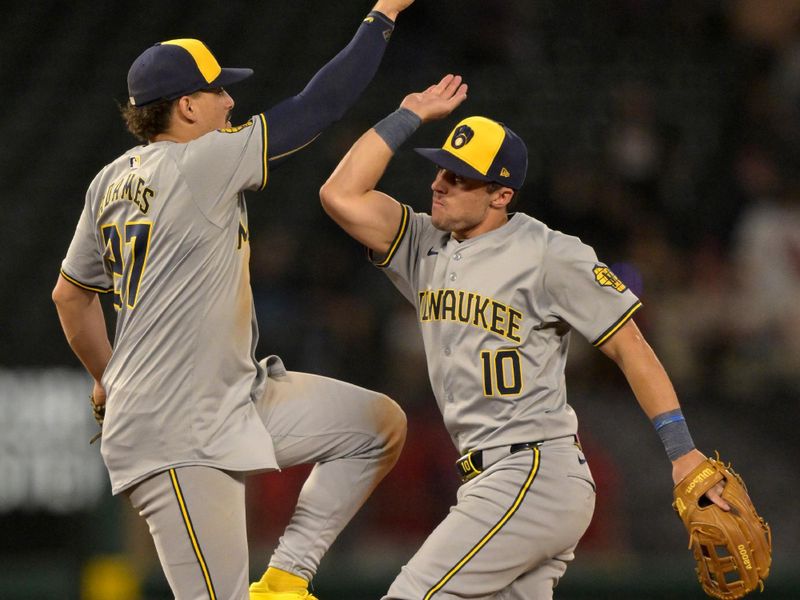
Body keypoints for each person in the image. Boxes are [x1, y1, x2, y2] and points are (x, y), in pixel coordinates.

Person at [51, 3, 414, 599]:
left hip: (231, 398)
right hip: (176, 431)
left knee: (376, 428)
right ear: (186, 106)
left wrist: (106, 378)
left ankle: (285, 581)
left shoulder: (107, 181)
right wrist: (383, 14)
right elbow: (318, 106)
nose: (230, 102)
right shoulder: (202, 159)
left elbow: (70, 296)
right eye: (218, 91)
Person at [319, 75, 729, 599]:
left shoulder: (549, 252)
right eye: (441, 168)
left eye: (462, 177)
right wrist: (409, 116)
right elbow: (339, 194)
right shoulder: (421, 241)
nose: (439, 183)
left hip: (531, 471)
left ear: (501, 195)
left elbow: (631, 347)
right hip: (491, 480)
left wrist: (683, 452)